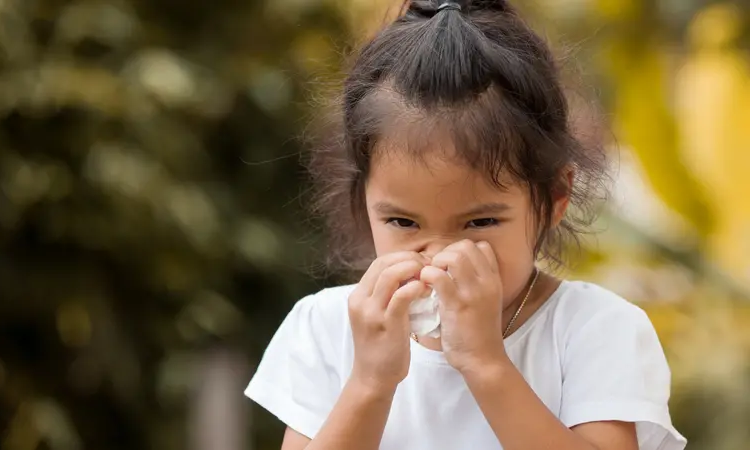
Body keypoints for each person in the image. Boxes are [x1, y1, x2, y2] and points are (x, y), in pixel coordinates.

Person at [244, 1, 687, 449]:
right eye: (402, 221)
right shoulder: (327, 329)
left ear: (555, 197)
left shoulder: (592, 329)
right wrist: (369, 383)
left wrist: (485, 362)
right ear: (364, 200)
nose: (439, 255)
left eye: (480, 221)